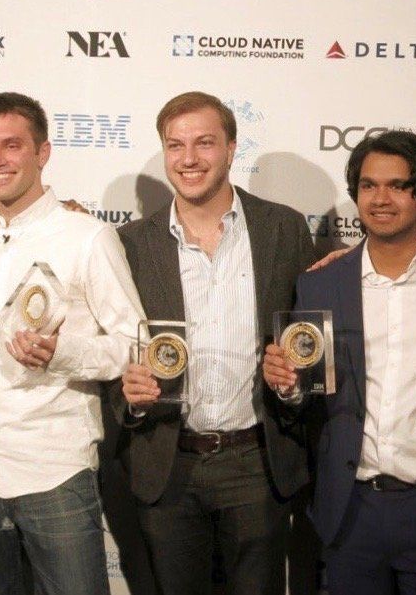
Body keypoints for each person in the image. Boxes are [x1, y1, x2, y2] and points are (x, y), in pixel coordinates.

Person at [0, 92, 144, 595]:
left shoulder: (88, 236)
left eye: (11, 146)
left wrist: (64, 353)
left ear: (42, 152)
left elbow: (134, 344)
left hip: (53, 470)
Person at [264, 131, 416, 595]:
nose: (380, 199)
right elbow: (304, 397)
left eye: (398, 185)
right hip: (350, 508)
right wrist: (285, 385)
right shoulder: (320, 284)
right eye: (368, 185)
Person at [118, 91, 316, 595]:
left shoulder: (284, 229)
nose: (188, 159)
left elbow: (309, 340)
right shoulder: (131, 245)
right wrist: (132, 399)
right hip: (168, 463)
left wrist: (294, 387)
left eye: (204, 143)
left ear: (231, 148)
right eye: (175, 145)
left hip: (256, 461)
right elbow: (111, 350)